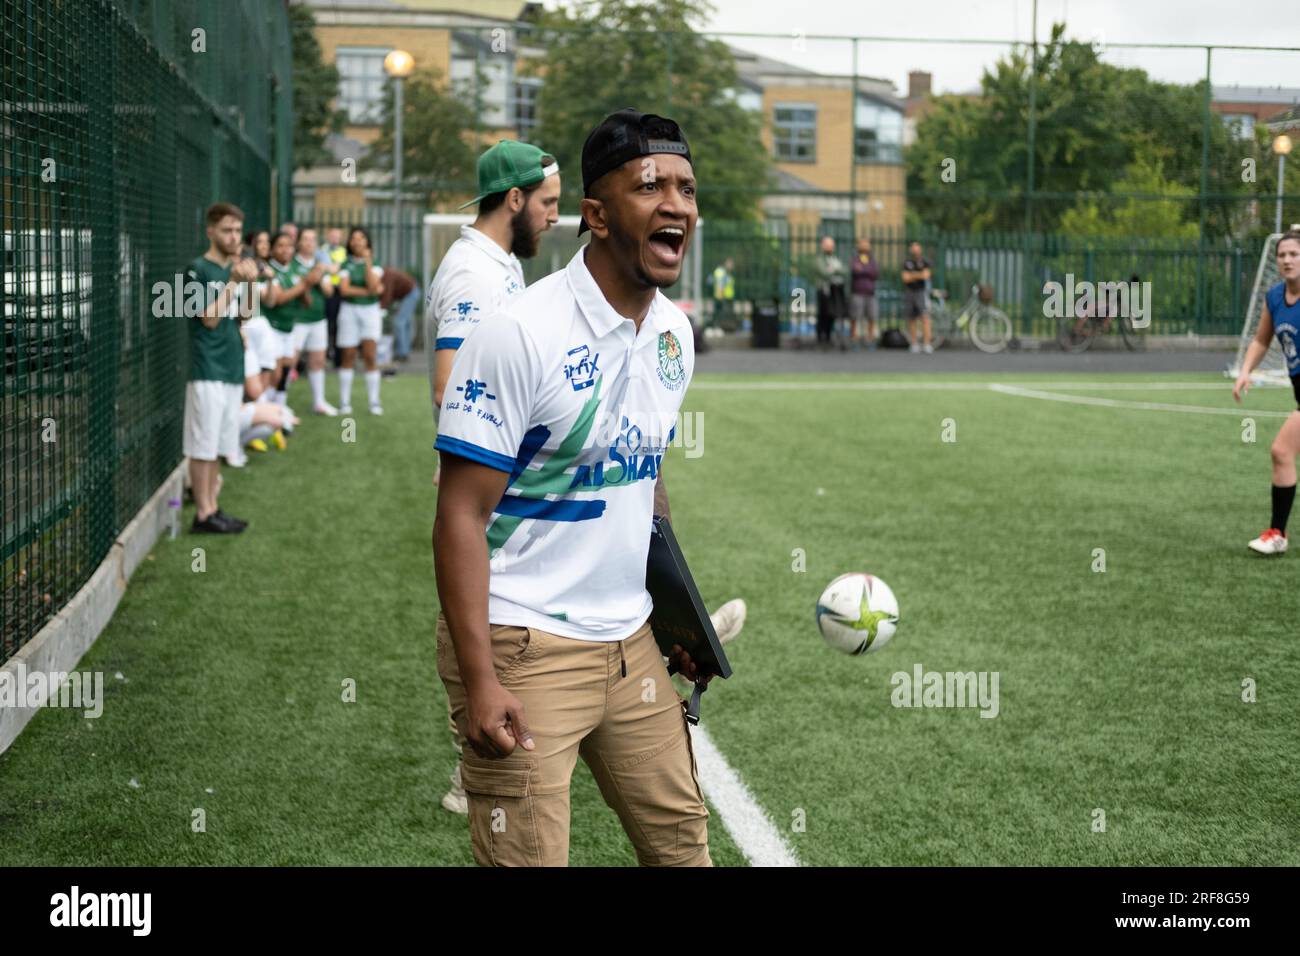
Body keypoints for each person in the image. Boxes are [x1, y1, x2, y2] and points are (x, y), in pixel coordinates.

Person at [433, 108, 713, 866]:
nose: (677, 204)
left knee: (684, 848)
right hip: (522, 643)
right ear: (595, 215)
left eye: (687, 188)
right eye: (651, 185)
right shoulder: (518, 333)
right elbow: (459, 514)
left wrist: (673, 614)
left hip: (629, 643)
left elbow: (645, 476)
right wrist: (481, 678)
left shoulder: (674, 334)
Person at [426, 140, 560, 488]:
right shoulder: (473, 274)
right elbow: (448, 389)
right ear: (515, 199)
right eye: (547, 202)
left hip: (496, 469)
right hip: (490, 474)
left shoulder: (498, 262)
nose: (555, 216)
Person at [183, 202, 256, 534]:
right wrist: (232, 281)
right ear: (210, 231)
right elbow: (209, 319)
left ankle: (212, 507)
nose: (233, 236)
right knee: (202, 445)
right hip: (207, 369)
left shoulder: (234, 269)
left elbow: (246, 315)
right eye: (227, 230)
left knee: (216, 445)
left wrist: (249, 282)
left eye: (238, 230)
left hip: (230, 367)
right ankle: (202, 514)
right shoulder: (197, 269)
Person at [1233, 229, 1300, 555]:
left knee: (1281, 450)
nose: (1287, 260)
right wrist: (1245, 371)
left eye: (1294, 254)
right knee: (1281, 453)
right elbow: (1261, 340)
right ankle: (1278, 534)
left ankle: (1278, 534)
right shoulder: (1275, 297)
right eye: (1283, 255)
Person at [336, 227, 385, 415]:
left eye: (361, 238)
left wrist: (367, 263)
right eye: (353, 238)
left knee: (370, 355)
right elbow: (345, 290)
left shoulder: (375, 263)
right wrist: (368, 292)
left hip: (370, 311)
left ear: (367, 242)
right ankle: (344, 402)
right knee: (348, 354)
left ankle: (374, 402)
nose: (357, 241)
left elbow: (374, 284)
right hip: (349, 310)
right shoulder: (345, 264)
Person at [288, 229, 337, 415]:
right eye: (306, 239)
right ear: (299, 242)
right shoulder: (292, 264)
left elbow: (329, 291)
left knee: (318, 360)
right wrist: (308, 281)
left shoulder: (319, 264)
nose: (309, 243)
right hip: (298, 320)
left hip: (318, 319)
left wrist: (319, 278)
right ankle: (280, 400)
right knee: (289, 361)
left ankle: (319, 402)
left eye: (313, 239)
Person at [379, 265, 420, 363]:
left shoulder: (387, 276)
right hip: (406, 294)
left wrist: (380, 307)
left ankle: (402, 353)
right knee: (403, 323)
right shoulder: (384, 274)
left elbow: (387, 296)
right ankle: (404, 351)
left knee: (399, 322)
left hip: (410, 293)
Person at [814, 235, 846, 348]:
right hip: (823, 290)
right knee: (822, 314)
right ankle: (820, 337)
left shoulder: (835, 259)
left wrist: (833, 269)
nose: (830, 247)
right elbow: (823, 272)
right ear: (823, 246)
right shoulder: (819, 259)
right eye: (827, 245)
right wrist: (834, 270)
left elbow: (844, 271)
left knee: (831, 314)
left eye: (831, 245)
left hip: (835, 290)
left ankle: (828, 337)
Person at [902, 241, 933, 354]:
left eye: (917, 247)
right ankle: (914, 343)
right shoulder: (907, 262)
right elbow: (905, 278)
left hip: (921, 292)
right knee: (911, 318)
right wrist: (918, 275)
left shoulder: (925, 261)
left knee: (925, 317)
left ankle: (927, 344)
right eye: (913, 247)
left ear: (920, 249)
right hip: (910, 292)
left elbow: (926, 275)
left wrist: (912, 275)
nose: (915, 249)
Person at [849, 238, 880, 349]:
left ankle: (870, 339)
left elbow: (876, 272)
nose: (865, 246)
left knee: (872, 316)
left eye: (867, 243)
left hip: (871, 293)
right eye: (862, 243)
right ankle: (854, 338)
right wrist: (867, 270)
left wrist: (862, 270)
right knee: (855, 316)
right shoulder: (854, 258)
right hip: (857, 292)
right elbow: (854, 269)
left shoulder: (872, 259)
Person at [710, 257, 735, 329]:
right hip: (723, 297)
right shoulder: (723, 273)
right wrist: (721, 294)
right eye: (730, 264)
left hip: (722, 296)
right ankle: (720, 327)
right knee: (721, 313)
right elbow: (721, 284)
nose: (731, 266)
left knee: (718, 313)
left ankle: (717, 327)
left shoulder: (720, 272)